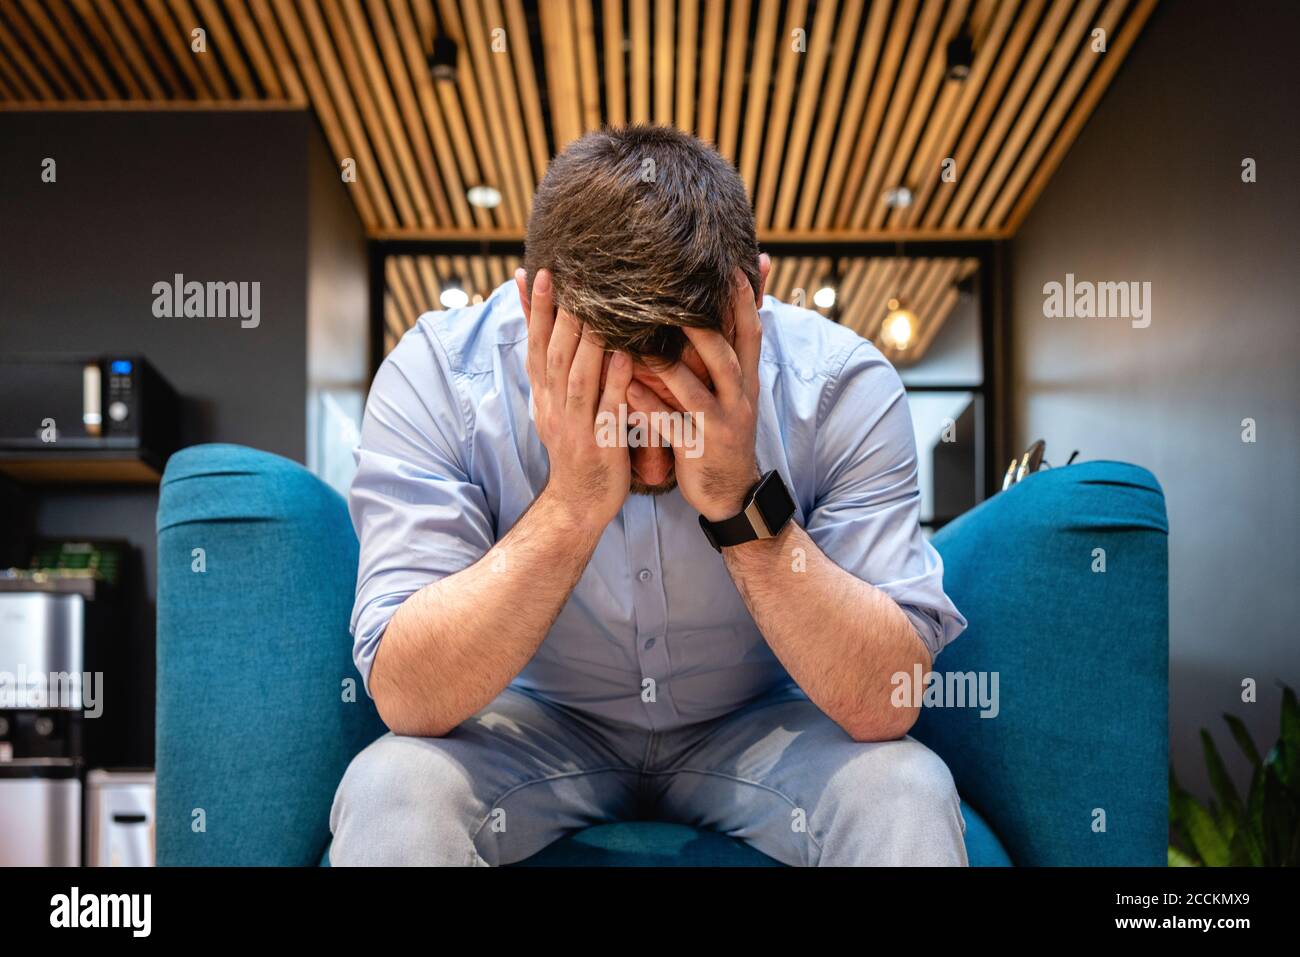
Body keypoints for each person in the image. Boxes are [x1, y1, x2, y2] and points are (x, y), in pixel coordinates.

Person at [330, 125, 968, 866]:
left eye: (688, 406)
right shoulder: (440, 377)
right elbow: (407, 693)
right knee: (391, 790)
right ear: (534, 311)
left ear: (754, 297)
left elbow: (889, 697)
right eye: (625, 419)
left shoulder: (841, 386)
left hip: (760, 726)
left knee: (906, 789)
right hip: (533, 726)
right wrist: (570, 506)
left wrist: (740, 503)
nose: (660, 467)